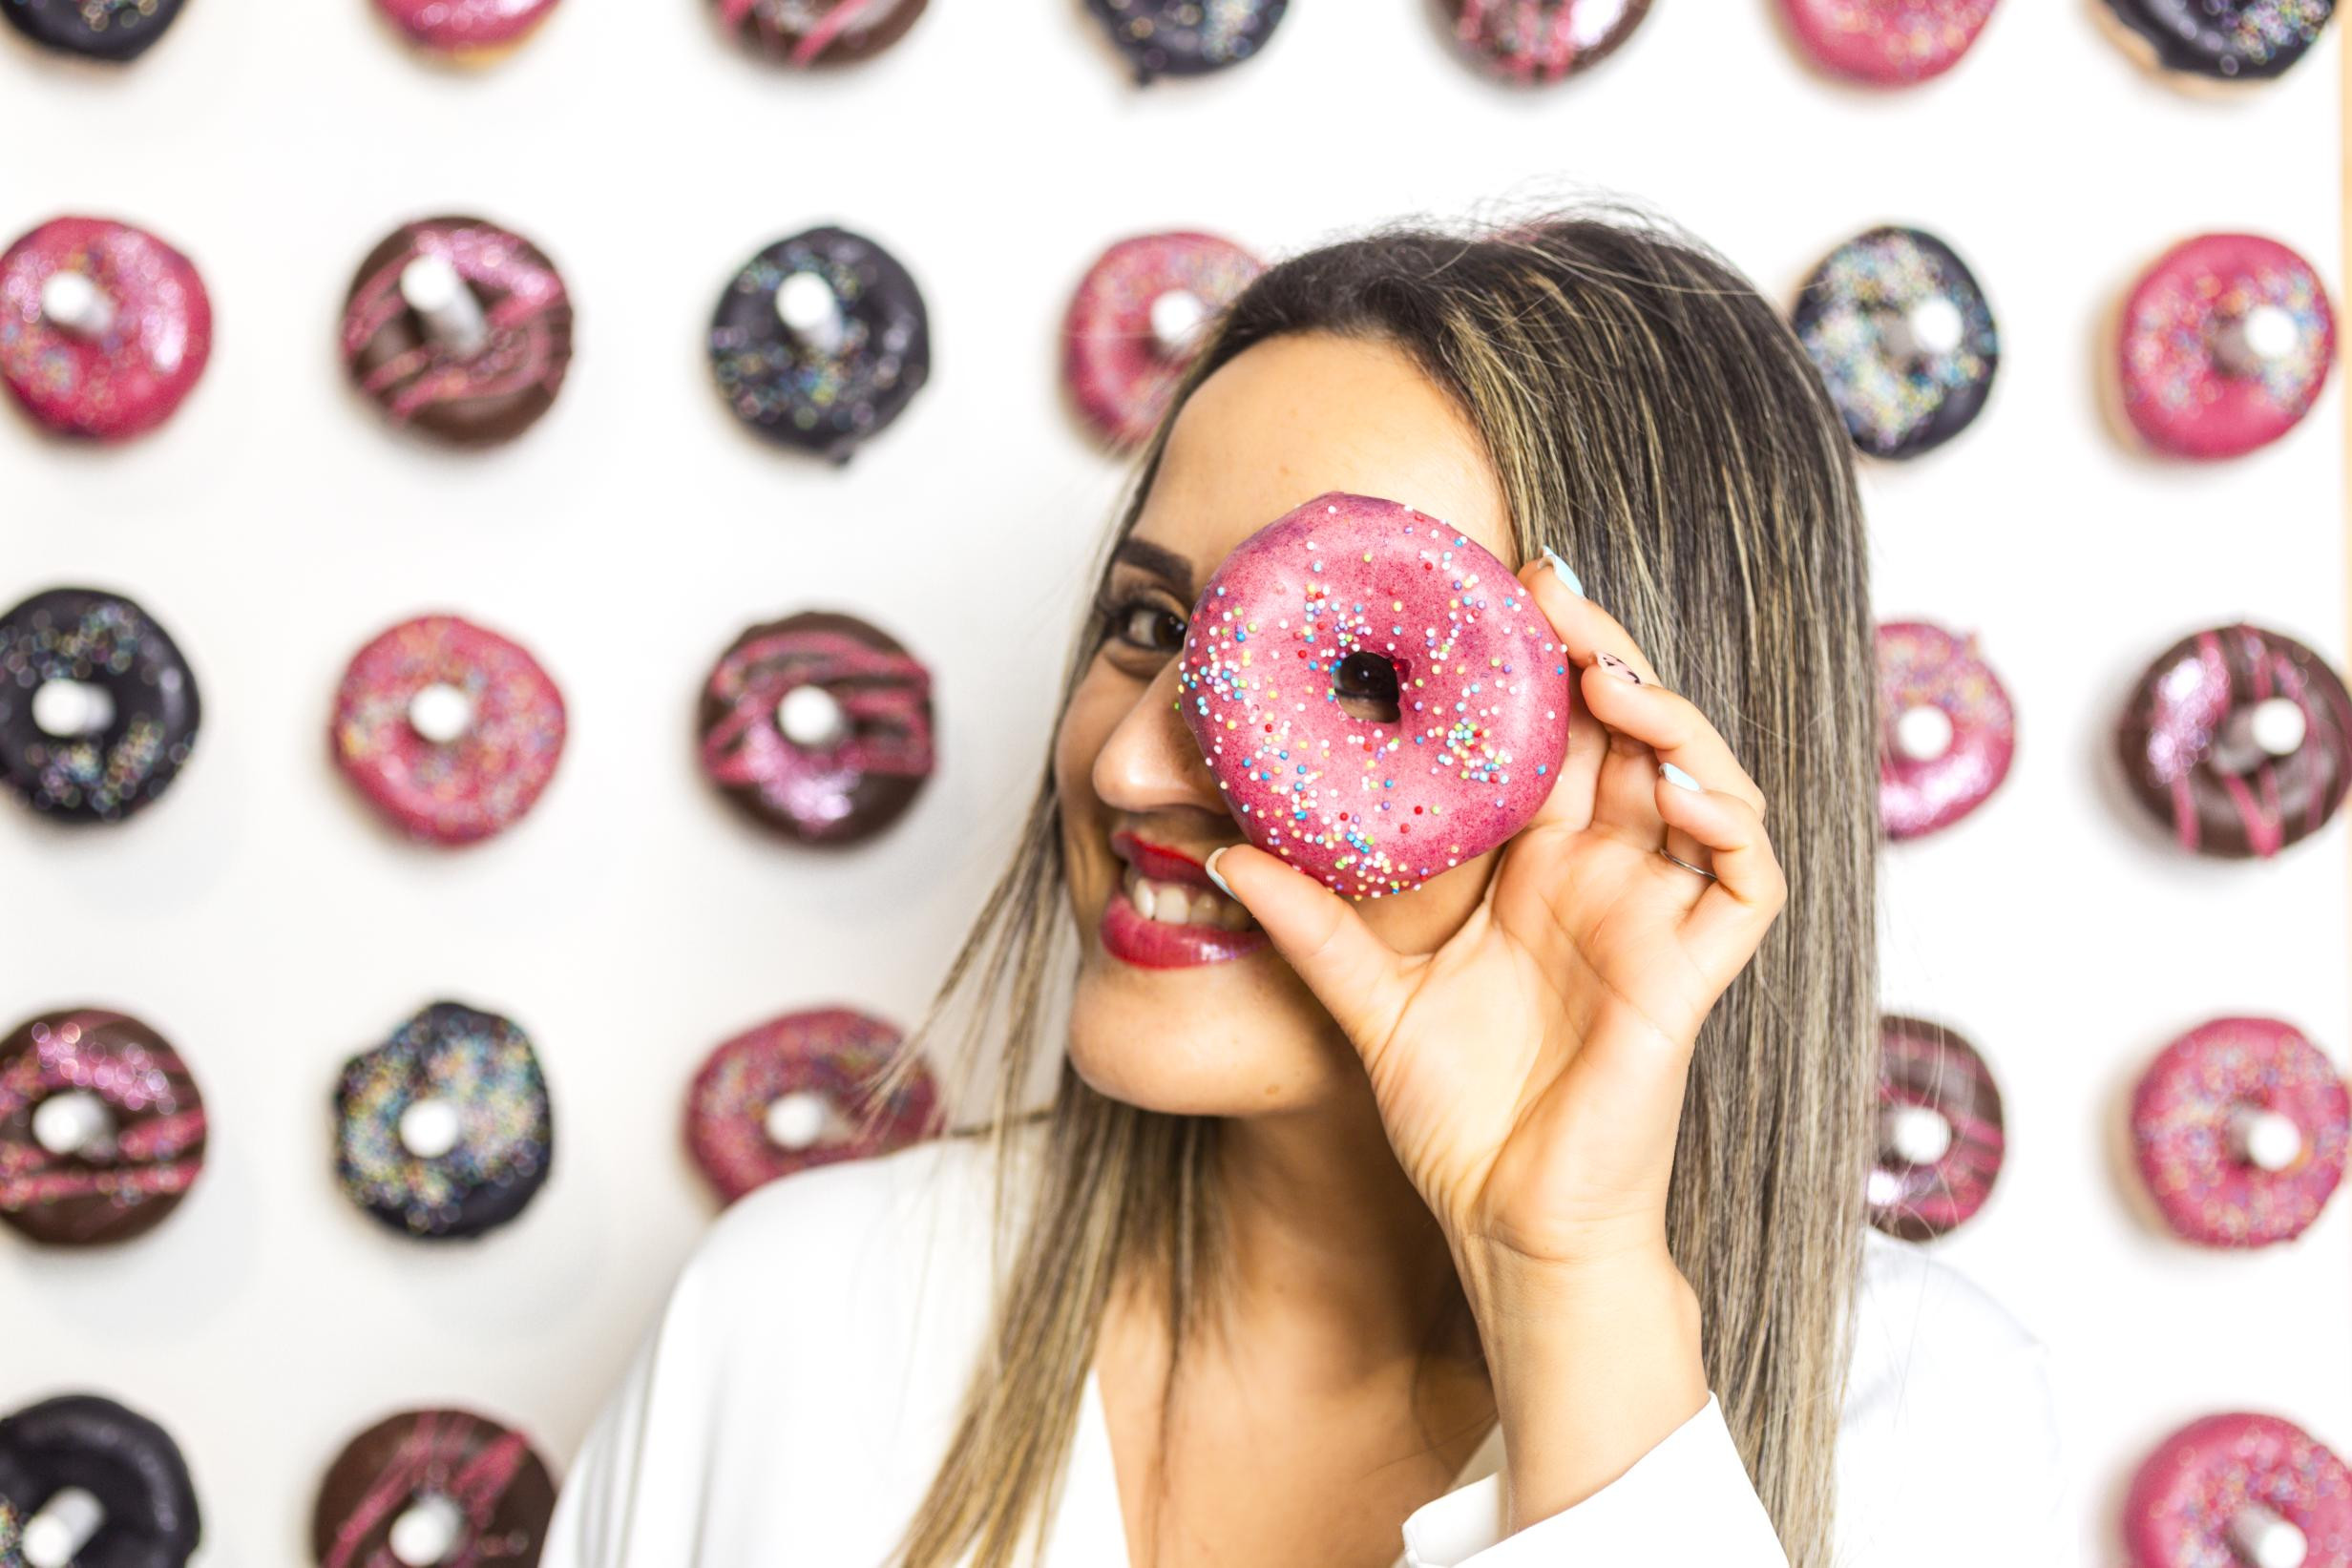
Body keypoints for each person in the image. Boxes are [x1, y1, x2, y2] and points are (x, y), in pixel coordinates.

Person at [540, 209, 2062, 1568]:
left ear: (1643, 772)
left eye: (1348, 677)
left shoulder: (1916, 1425)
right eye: (1147, 622)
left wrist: (1570, 1289)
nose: (1136, 765)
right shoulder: (797, 1321)